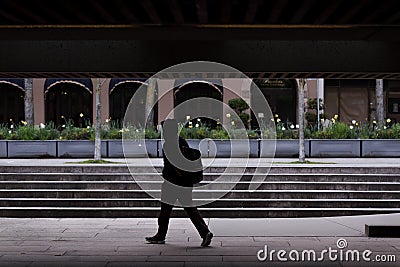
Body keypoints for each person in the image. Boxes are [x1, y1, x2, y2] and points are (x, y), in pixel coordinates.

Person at [145, 119, 213, 247]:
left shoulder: (168, 145)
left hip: (172, 184)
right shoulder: (182, 141)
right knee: (191, 210)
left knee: (165, 211)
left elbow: (169, 166)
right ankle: (205, 232)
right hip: (186, 183)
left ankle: (160, 235)